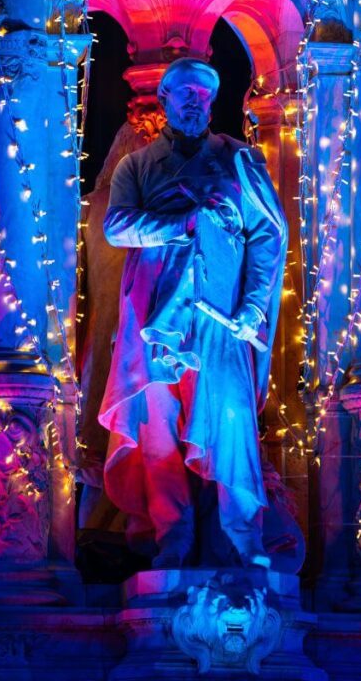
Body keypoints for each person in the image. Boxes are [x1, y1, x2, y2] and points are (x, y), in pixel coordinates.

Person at [98, 58, 288, 569]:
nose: (193, 101)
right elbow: (116, 226)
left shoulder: (239, 160)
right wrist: (178, 224)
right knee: (156, 423)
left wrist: (252, 305)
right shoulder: (136, 165)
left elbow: (267, 235)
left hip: (219, 318)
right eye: (183, 93)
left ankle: (243, 536)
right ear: (163, 101)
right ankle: (173, 534)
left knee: (230, 422)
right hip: (154, 316)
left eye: (202, 95)